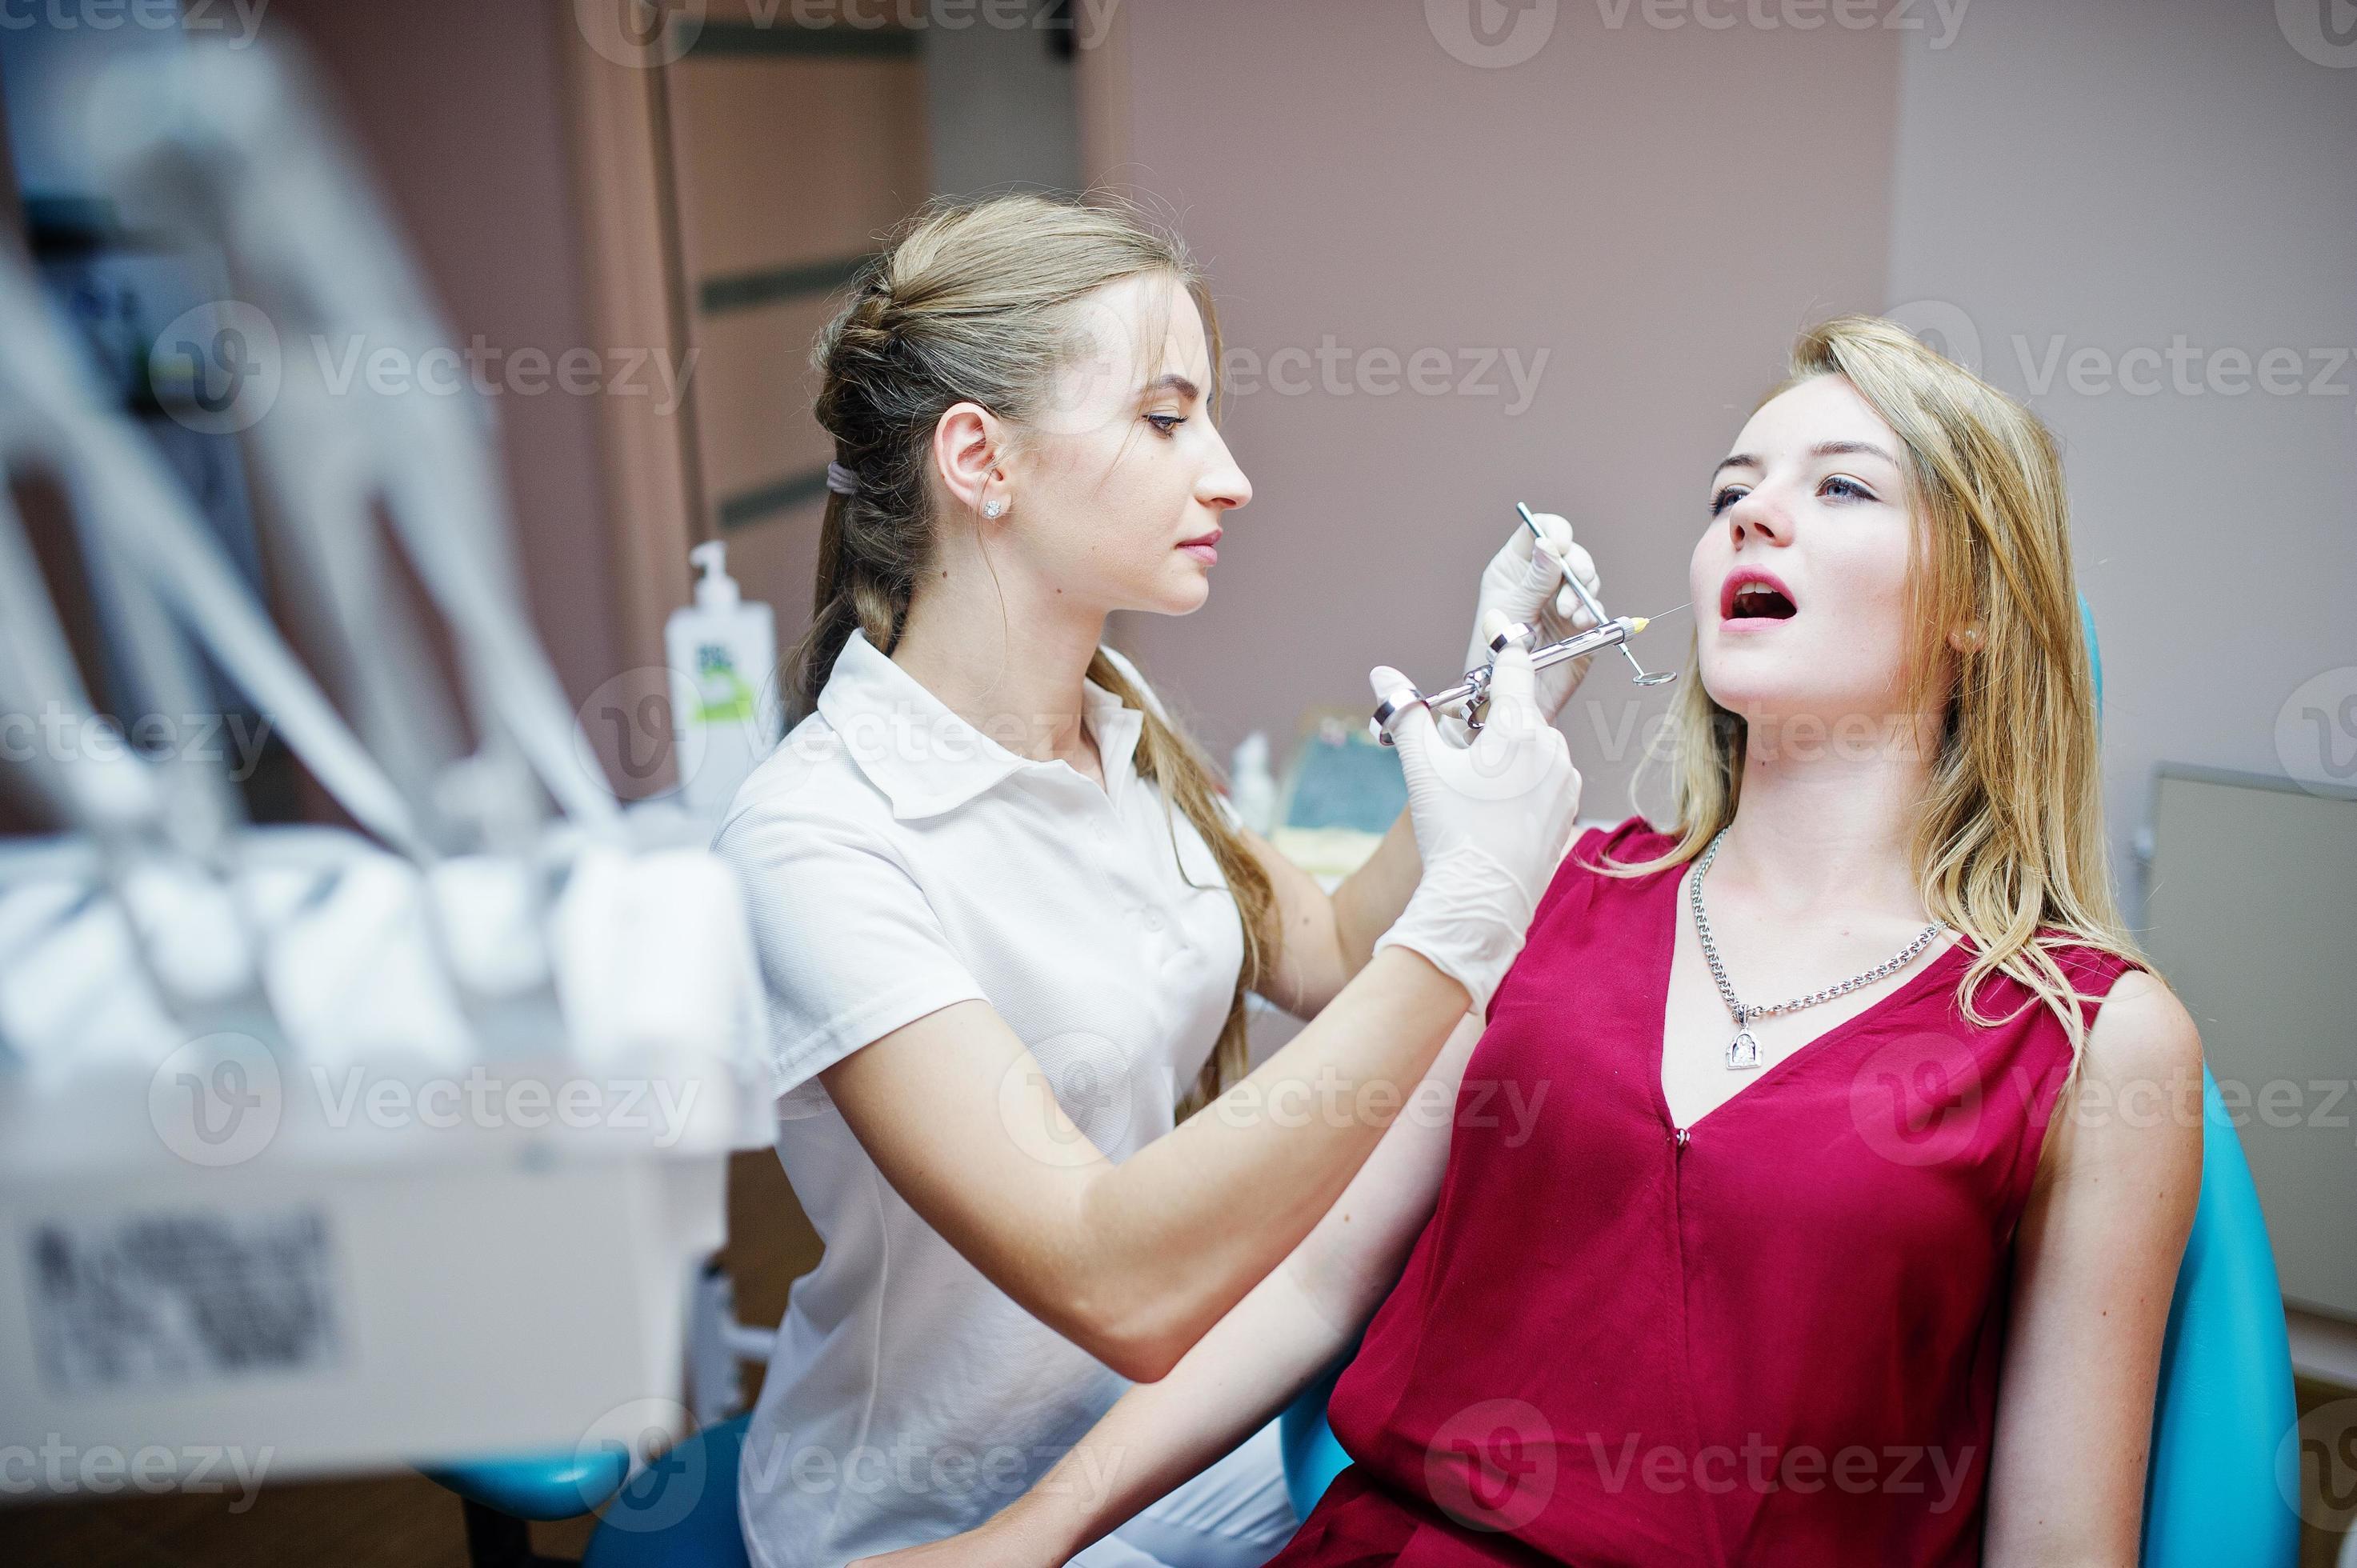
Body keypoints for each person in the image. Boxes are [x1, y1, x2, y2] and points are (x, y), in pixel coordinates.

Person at [866, 316, 2205, 1568]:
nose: (1753, 511)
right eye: (1730, 489)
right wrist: (1019, 1540)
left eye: (1843, 488)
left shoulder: (2087, 1035)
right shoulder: (1552, 894)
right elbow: (1316, 1284)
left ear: (1978, 604)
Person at [710, 193, 1597, 1568]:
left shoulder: (1115, 715)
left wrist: (1495, 716)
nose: (1231, 475)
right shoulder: (819, 842)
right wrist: (1472, 913)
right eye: (1166, 418)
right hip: (931, 1528)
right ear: (979, 459)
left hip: (1182, 1445)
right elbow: (1105, 1274)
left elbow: (1326, 951)